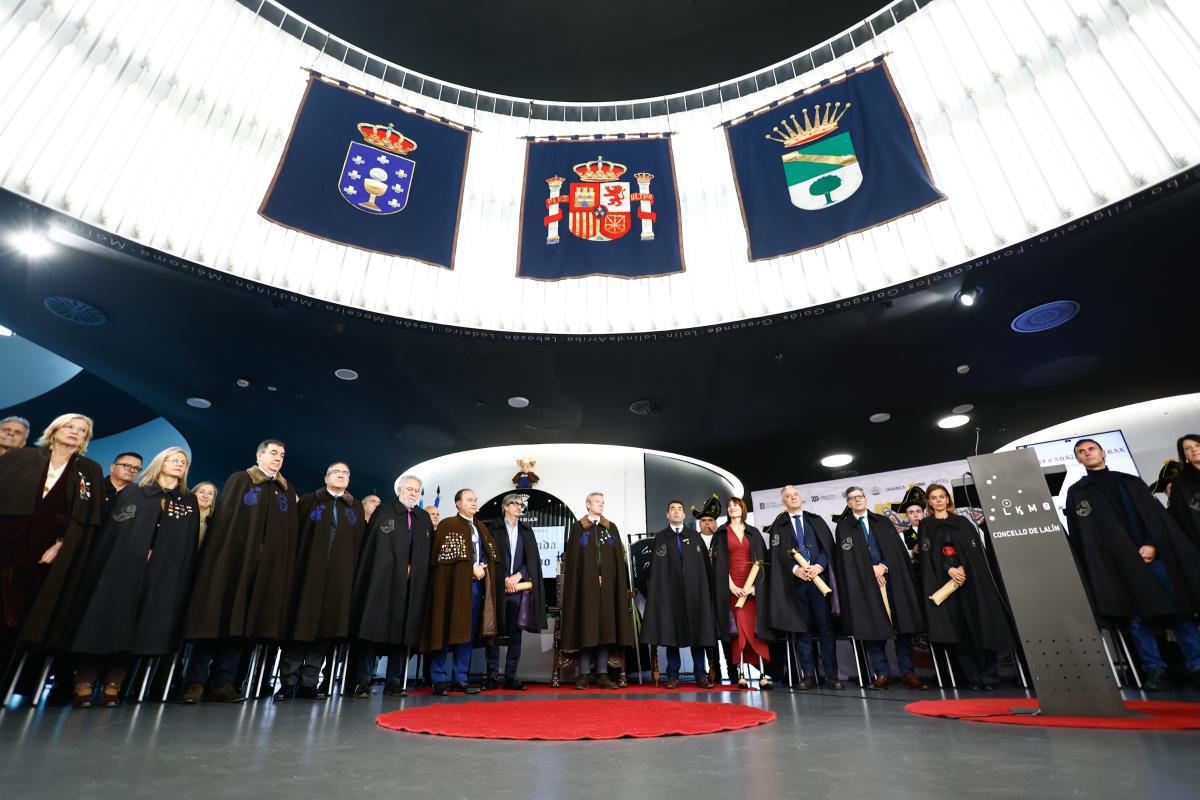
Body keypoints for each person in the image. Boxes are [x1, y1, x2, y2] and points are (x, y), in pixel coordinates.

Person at [70, 447, 200, 707]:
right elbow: (116, 532)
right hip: (122, 571)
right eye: (173, 460)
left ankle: (114, 684)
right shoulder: (137, 492)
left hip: (161, 576)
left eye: (183, 462)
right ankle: (85, 680)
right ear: (160, 463)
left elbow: (186, 543)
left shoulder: (187, 501)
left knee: (139, 626)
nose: (178, 464)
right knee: (108, 619)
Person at [1067, 438, 1200, 690]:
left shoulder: (1130, 482)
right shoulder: (1078, 493)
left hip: (1153, 557)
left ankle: (1196, 664)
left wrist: (1152, 544)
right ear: (1078, 460)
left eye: (1091, 449)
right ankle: (1155, 670)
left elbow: (1157, 519)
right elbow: (1085, 538)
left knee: (1179, 611)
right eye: (1081, 452)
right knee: (1137, 617)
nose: (1087, 454)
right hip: (1119, 566)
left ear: (1103, 453)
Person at [180, 439, 298, 703]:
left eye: (282, 454)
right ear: (259, 455)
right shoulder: (241, 480)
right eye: (273, 453)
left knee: (244, 626)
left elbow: (288, 536)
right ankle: (195, 682)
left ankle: (225, 682)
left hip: (263, 572)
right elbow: (226, 524)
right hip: (232, 566)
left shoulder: (286, 491)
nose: (278, 458)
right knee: (215, 619)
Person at [0, 413, 104, 672]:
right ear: (54, 430)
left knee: (16, 620)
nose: (74, 432)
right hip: (6, 545)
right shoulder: (20, 457)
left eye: (81, 430)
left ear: (85, 439)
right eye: (69, 426)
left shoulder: (89, 470)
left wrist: (60, 546)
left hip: (43, 557)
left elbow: (84, 519)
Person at [278, 462, 365, 700]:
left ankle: (309, 683)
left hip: (339, 581)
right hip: (306, 576)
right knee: (299, 628)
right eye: (336, 472)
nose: (341, 476)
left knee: (325, 632)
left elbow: (359, 545)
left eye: (346, 473)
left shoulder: (355, 507)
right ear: (326, 477)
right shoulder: (308, 501)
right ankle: (287, 682)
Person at [918, 484, 1014, 691]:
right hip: (946, 588)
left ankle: (989, 678)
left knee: (981, 627)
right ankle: (973, 679)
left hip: (971, 585)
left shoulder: (962, 522)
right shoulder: (926, 525)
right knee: (959, 632)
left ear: (948, 499)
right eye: (934, 498)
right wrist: (948, 570)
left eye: (942, 496)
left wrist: (964, 569)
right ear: (929, 502)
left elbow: (975, 552)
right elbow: (928, 556)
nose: (939, 501)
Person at [834, 485, 927, 689]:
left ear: (865, 499)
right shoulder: (844, 527)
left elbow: (895, 552)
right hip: (863, 586)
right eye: (852, 498)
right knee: (871, 628)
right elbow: (846, 561)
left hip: (891, 580)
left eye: (860, 496)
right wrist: (870, 571)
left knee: (902, 626)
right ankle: (882, 673)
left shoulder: (883, 521)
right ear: (848, 503)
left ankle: (908, 672)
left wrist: (882, 567)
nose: (857, 500)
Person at [351, 475, 434, 698]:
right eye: (408, 489)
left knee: (403, 632)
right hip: (382, 584)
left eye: (417, 490)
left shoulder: (423, 518)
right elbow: (374, 549)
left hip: (410, 586)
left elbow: (426, 554)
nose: (413, 493)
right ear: (398, 490)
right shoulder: (384, 512)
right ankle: (363, 681)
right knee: (372, 630)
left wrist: (413, 569)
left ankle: (394, 682)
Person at [420, 489, 497, 695]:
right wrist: (469, 568)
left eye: (475, 499)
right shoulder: (447, 525)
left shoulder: (481, 527)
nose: (474, 503)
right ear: (457, 504)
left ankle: (460, 678)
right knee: (444, 629)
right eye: (469, 500)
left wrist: (483, 567)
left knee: (467, 634)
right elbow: (443, 559)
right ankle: (438, 679)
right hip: (451, 589)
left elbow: (490, 555)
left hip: (476, 588)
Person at [765, 486, 842, 690]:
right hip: (795, 585)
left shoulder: (815, 520)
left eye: (795, 495)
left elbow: (828, 549)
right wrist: (794, 569)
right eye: (788, 497)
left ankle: (832, 675)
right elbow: (776, 555)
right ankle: (808, 674)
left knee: (825, 628)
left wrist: (819, 566)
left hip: (820, 583)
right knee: (802, 629)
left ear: (801, 498)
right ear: (784, 502)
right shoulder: (779, 526)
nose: (793, 498)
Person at [559, 492, 634, 689]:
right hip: (585, 589)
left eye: (603, 502)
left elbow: (617, 559)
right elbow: (574, 561)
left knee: (606, 629)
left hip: (608, 589)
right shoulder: (578, 529)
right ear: (587, 505)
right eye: (597, 502)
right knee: (587, 628)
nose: (601, 505)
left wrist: (608, 578)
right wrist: (591, 576)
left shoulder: (610, 528)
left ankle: (602, 674)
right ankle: (584, 674)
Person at [643, 500, 717, 688]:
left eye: (679, 509)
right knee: (671, 634)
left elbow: (705, 569)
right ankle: (673, 676)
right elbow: (656, 572)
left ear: (684, 515)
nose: (676, 512)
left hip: (694, 595)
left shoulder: (694, 537)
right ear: (667, 515)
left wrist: (705, 593)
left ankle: (700, 675)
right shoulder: (661, 538)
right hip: (671, 595)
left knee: (698, 634)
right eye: (672, 509)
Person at [484, 494, 546, 690]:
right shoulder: (492, 529)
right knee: (492, 634)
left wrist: (519, 575)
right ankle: (492, 676)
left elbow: (533, 561)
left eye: (522, 504)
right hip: (496, 588)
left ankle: (511, 677)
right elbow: (488, 557)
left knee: (515, 635)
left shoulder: (527, 531)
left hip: (518, 590)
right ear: (505, 507)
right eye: (516, 504)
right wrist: (502, 578)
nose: (520, 507)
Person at [714, 497, 774, 689]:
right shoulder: (721, 533)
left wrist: (755, 587)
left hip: (753, 587)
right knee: (737, 630)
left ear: (742, 508)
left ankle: (763, 675)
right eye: (729, 506)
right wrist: (730, 586)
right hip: (732, 587)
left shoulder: (754, 532)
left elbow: (763, 561)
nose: (732, 508)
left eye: (735, 505)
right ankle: (740, 674)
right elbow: (718, 564)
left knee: (756, 629)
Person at [692, 494, 731, 684]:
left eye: (710, 520)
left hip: (723, 593)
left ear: (716, 523)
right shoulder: (692, 542)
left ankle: (733, 672)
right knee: (706, 633)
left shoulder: (723, 540)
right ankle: (713, 671)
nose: (707, 523)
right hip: (702, 595)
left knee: (725, 632)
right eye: (704, 520)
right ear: (699, 523)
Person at [1168, 434, 1200, 550]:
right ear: (1184, 455)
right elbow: (1179, 515)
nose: (1194, 449)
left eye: (1197, 445)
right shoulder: (1180, 482)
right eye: (1187, 448)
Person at [193, 482, 218, 546]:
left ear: (213, 500)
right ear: (193, 495)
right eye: (201, 492)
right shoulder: (180, 517)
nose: (205, 496)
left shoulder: (214, 524)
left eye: (210, 493)